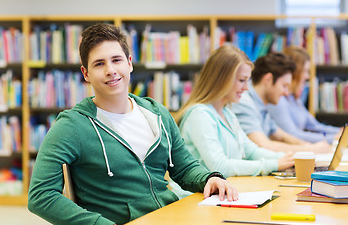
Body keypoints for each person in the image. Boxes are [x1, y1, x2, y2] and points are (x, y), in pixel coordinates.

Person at [28, 23, 238, 225]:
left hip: (172, 215)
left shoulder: (157, 113)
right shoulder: (71, 126)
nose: (111, 70)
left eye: (116, 60)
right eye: (99, 64)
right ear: (86, 74)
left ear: (129, 63)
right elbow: (40, 195)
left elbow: (183, 168)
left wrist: (209, 178)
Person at [173, 45, 295, 179]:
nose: (246, 88)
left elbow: (251, 152)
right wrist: (274, 164)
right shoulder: (199, 115)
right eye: (242, 80)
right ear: (222, 79)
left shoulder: (227, 113)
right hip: (193, 198)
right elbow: (220, 167)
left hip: (221, 193)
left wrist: (289, 159)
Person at [231, 52, 331, 153]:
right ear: (268, 79)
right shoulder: (244, 101)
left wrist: (306, 145)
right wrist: (309, 149)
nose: (286, 93)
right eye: (284, 86)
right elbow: (262, 145)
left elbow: (281, 135)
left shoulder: (263, 105)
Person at [266, 46, 341, 143]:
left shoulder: (294, 98)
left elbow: (314, 126)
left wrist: (341, 132)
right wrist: (333, 138)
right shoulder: (278, 99)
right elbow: (293, 134)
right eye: (305, 71)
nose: (307, 76)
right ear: (295, 72)